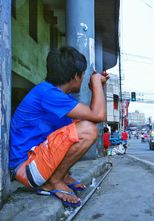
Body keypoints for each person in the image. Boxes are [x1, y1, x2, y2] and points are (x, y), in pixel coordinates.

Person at [9, 46, 109, 207]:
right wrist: (97, 82)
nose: (84, 78)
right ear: (75, 76)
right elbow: (98, 115)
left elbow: (91, 114)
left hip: (35, 162)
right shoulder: (49, 94)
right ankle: (54, 181)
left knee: (78, 123)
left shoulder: (55, 94)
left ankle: (61, 176)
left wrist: (95, 88)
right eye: (83, 75)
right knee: (88, 129)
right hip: (27, 169)